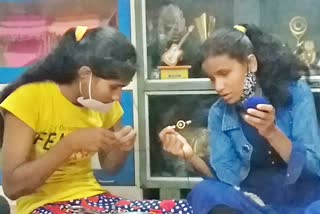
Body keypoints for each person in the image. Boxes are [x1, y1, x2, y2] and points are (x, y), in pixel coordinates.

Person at [0, 26, 193, 214]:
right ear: (85, 76)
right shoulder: (28, 99)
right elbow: (12, 188)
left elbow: (111, 167)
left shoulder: (105, 104)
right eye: (113, 87)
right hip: (42, 204)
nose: (117, 97)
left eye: (122, 88)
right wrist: (69, 145)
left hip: (94, 199)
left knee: (184, 209)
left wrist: (121, 148)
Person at [159, 24, 320, 214]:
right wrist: (190, 155)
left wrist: (272, 133)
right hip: (253, 203)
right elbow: (226, 181)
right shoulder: (219, 113)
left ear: (251, 64)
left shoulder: (296, 93)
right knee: (205, 192)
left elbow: (313, 167)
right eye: (212, 78)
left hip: (305, 201)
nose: (218, 86)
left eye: (224, 73)